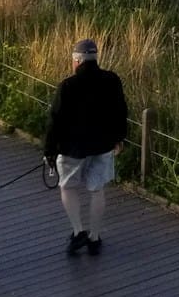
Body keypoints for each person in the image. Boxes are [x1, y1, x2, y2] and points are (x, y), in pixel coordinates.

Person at [43, 39, 128, 257]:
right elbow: (120, 112)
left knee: (68, 188)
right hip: (103, 145)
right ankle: (94, 237)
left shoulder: (67, 86)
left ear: (77, 60)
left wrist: (49, 151)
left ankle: (78, 230)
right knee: (97, 190)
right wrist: (120, 138)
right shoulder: (112, 80)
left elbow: (55, 121)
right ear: (95, 58)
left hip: (73, 149)